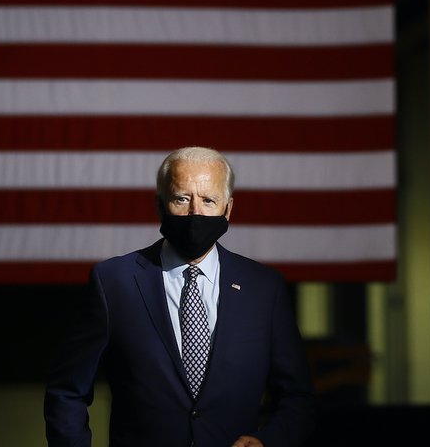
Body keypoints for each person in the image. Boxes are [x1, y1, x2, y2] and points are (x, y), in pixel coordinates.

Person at [44, 146, 316, 447]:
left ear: (228, 209)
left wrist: (269, 441)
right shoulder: (113, 283)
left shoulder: (265, 288)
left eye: (208, 200)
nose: (195, 213)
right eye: (182, 199)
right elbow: (67, 391)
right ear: (160, 205)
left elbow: (297, 396)